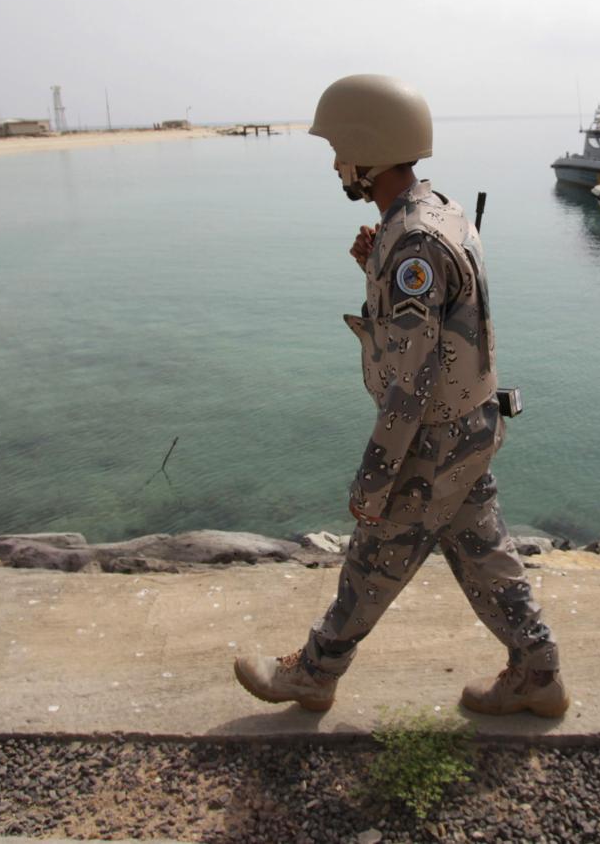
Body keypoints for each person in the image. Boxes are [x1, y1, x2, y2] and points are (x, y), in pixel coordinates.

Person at [233, 74, 567, 718]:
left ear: (367, 146)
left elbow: (409, 387)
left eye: (339, 149)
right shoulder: (432, 212)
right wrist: (374, 268)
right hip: (470, 425)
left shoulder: (413, 242)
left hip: (432, 440)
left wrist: (374, 481)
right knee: (484, 555)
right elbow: (442, 317)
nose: (335, 163)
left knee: (372, 560)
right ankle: (538, 671)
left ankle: (315, 672)